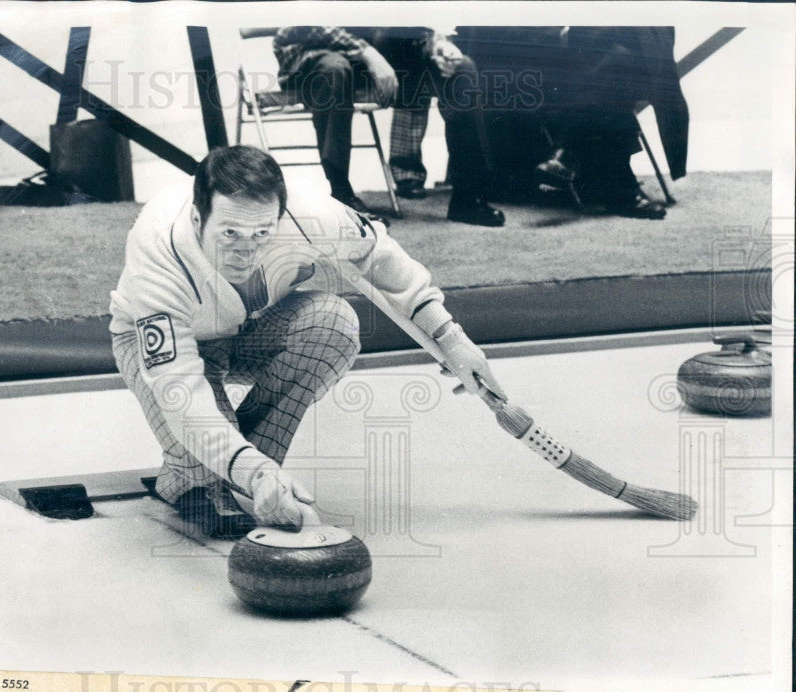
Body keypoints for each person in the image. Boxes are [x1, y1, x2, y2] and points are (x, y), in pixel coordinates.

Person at [110, 145, 506, 537]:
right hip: (164, 348)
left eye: (261, 233)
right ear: (198, 219)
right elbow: (180, 390)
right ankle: (198, 471)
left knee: (334, 323)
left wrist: (451, 338)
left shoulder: (311, 212)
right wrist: (253, 470)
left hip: (250, 330)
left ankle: (226, 466)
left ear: (279, 216)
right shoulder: (158, 248)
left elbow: (380, 257)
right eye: (229, 233)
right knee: (204, 462)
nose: (245, 251)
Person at [273, 26, 505, 227]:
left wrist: (437, 45)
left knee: (462, 67)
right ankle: (341, 195)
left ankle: (468, 198)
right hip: (316, 56)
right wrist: (367, 52)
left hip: (375, 56)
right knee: (334, 68)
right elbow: (304, 26)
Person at [534, 26, 688, 219]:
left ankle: (568, 152)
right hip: (567, 60)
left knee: (610, 72)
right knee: (608, 79)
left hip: (624, 60)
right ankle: (621, 190)